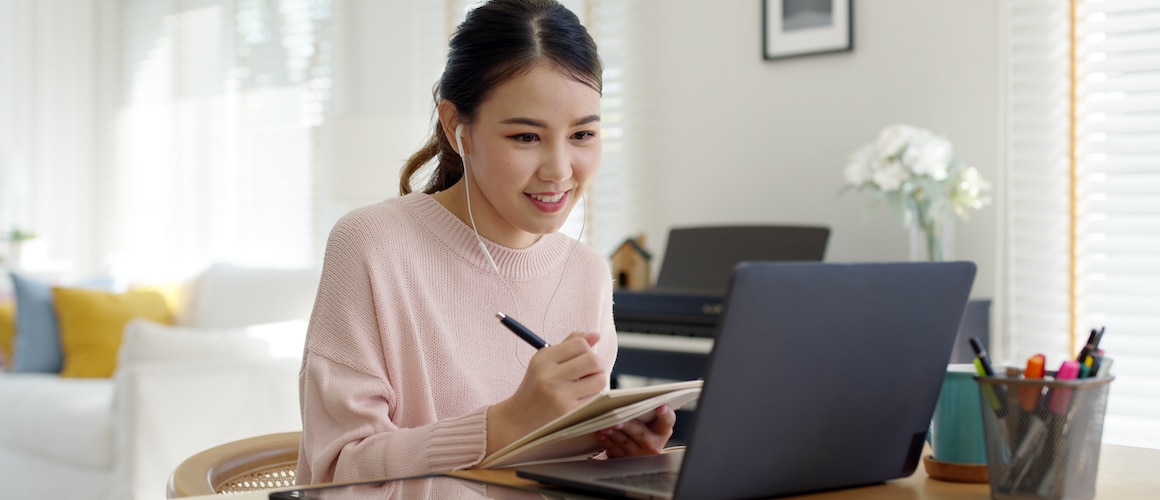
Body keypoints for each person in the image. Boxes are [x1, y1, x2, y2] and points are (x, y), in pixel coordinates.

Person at [296, 0, 675, 484]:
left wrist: (619, 461)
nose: (560, 170)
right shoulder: (373, 245)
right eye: (525, 137)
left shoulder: (586, 271)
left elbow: (550, 476)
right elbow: (334, 476)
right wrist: (504, 425)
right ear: (458, 128)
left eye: (582, 133)